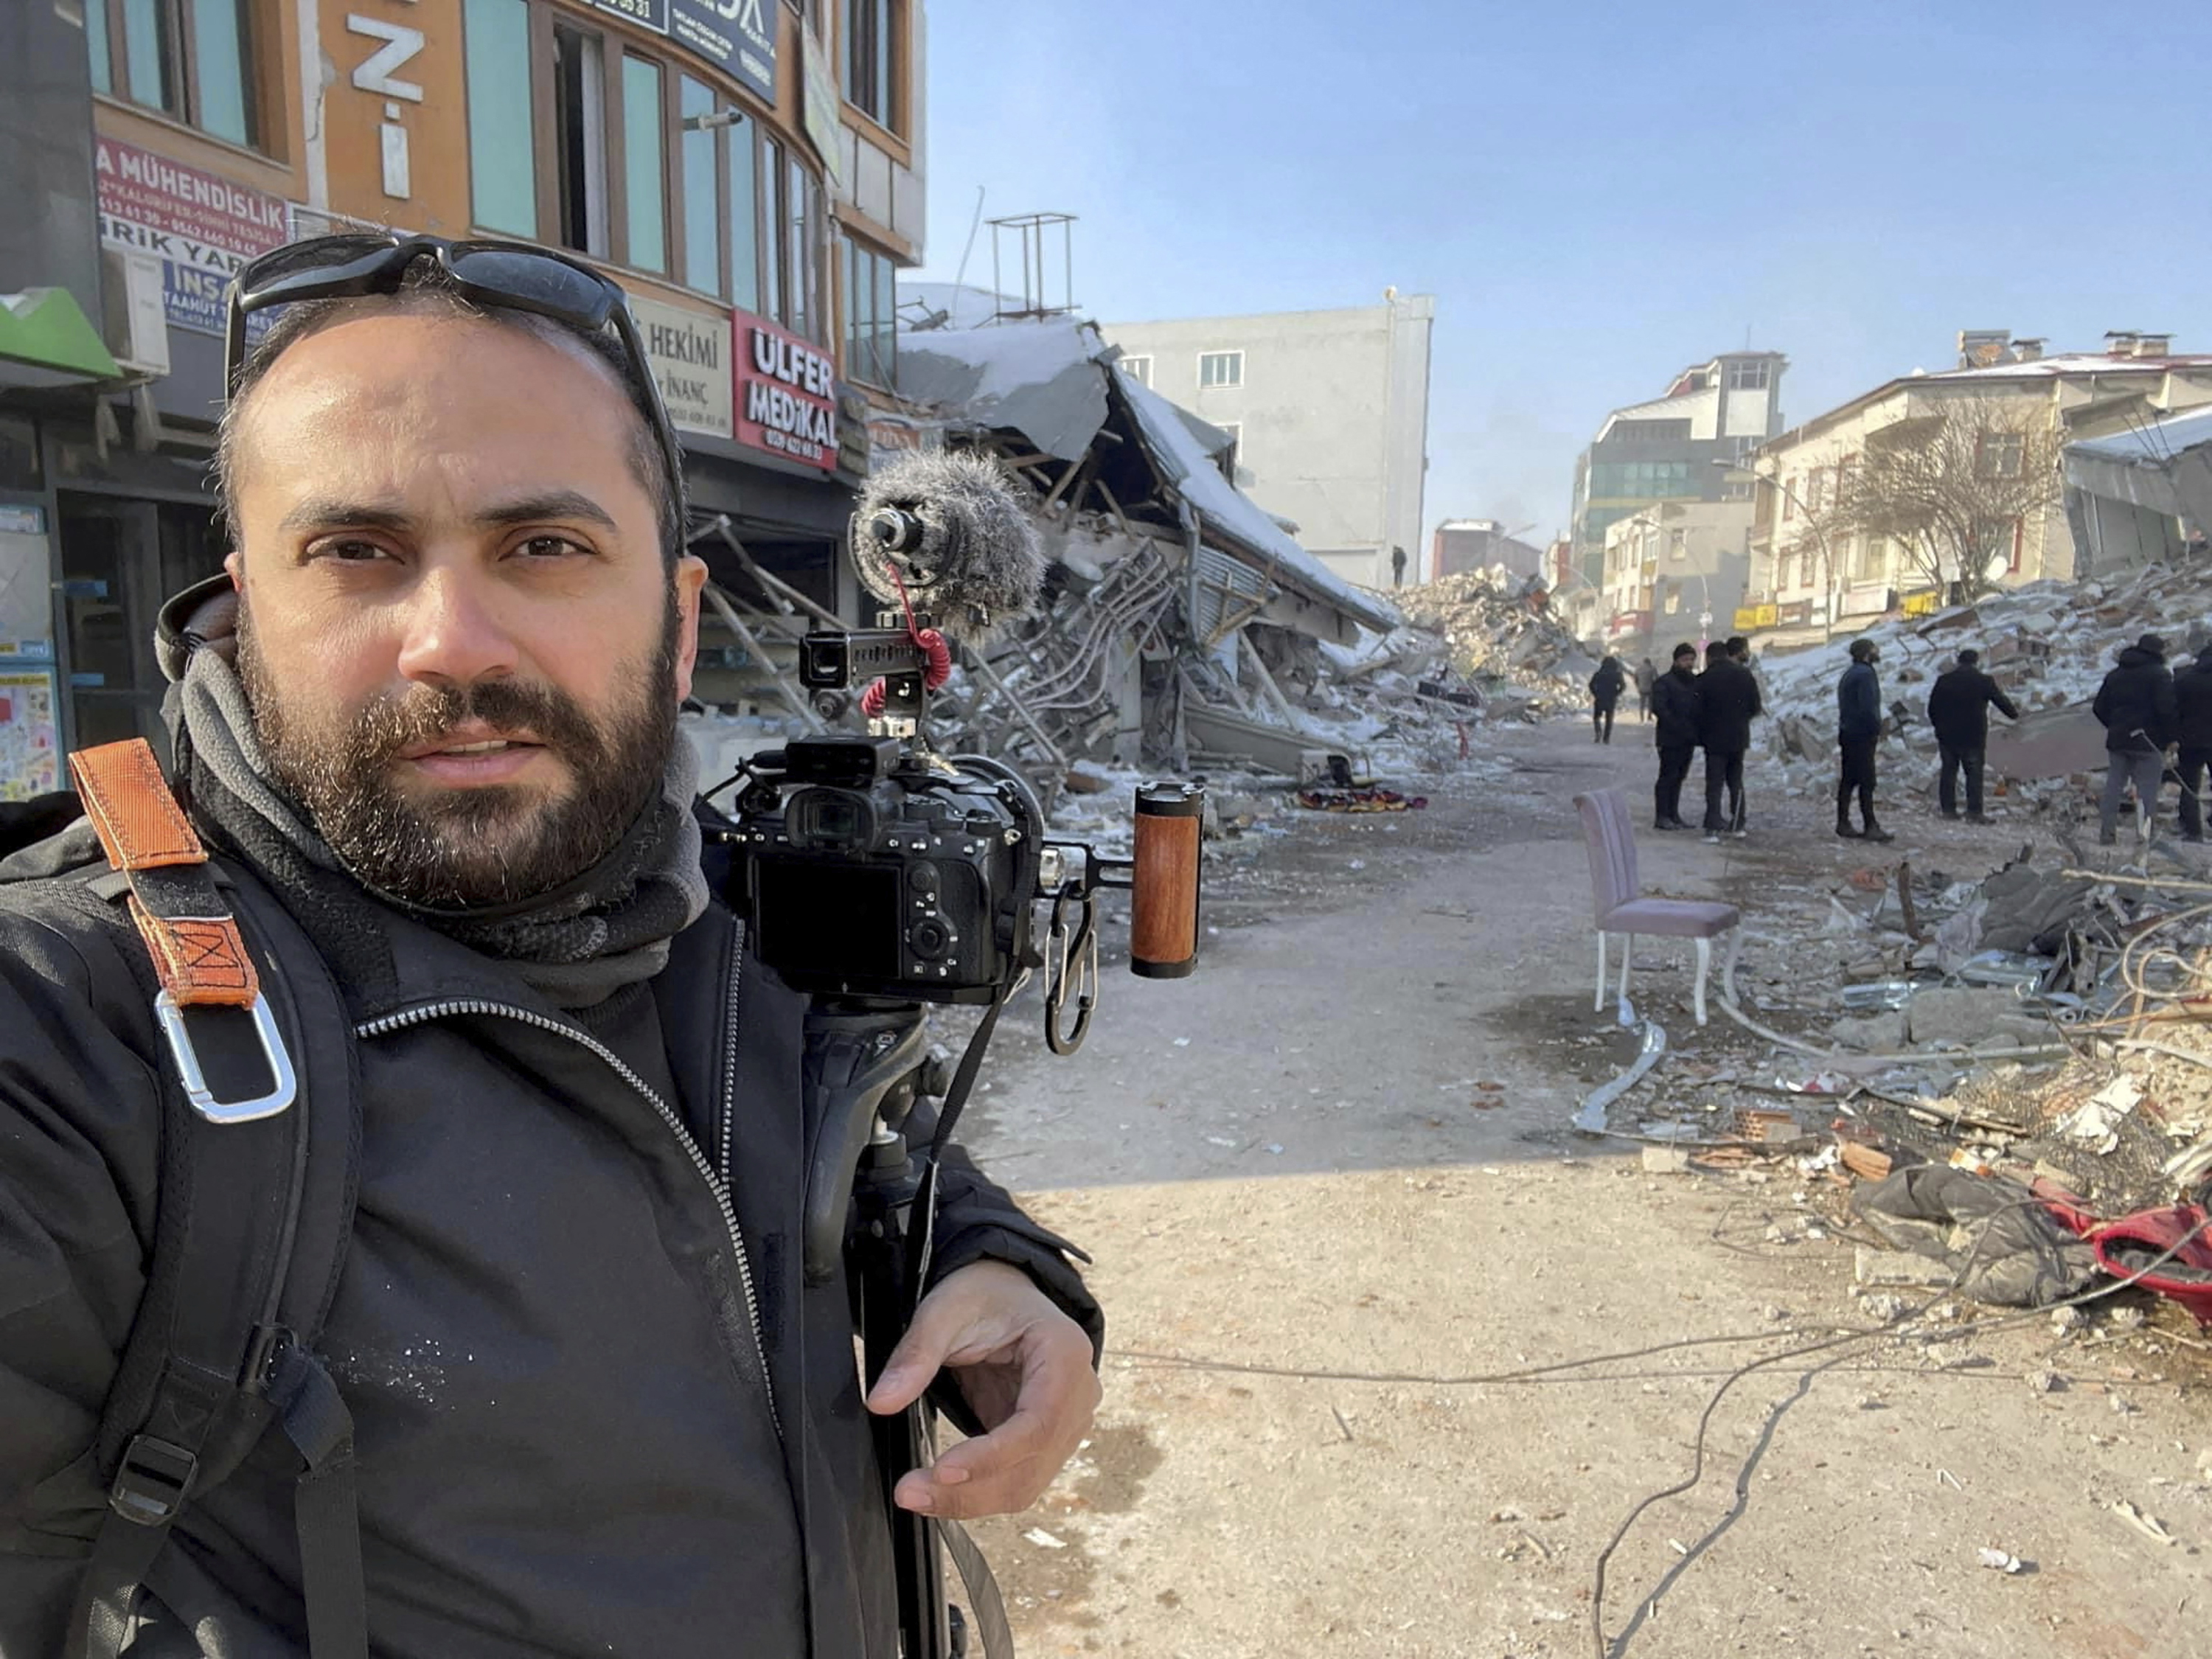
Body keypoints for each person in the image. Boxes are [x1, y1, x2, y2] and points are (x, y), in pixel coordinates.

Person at [0, 237, 1102, 1654]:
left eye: (544, 546)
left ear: (682, 621)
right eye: (355, 552)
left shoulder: (717, 915)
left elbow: (861, 1136)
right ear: (240, 610)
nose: (450, 643)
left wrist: (1006, 1270)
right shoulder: (74, 1027)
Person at [2093, 633, 2177, 846]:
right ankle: (2145, 836)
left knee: (2114, 785)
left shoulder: (2115, 675)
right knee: (2147, 788)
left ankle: (2107, 833)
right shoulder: (2160, 675)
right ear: (2159, 653)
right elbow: (2166, 710)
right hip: (2149, 741)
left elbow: (2099, 707)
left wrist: (2115, 726)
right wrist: (2170, 738)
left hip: (2119, 740)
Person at [1924, 647, 2020, 823]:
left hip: (1948, 736)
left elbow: (1932, 708)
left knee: (1948, 772)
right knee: (1974, 774)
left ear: (1959, 661)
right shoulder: (1983, 681)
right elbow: (2000, 701)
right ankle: (1974, 812)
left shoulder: (1944, 680)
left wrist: (1939, 727)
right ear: (1976, 662)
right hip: (1973, 736)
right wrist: (2015, 715)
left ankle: (1948, 810)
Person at [1696, 638, 1761, 844]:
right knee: (1736, 781)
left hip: (1714, 739)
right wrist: (1740, 720)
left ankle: (1712, 827)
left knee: (1714, 784)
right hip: (1738, 737)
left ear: (1709, 657)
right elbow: (1755, 707)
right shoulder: (1744, 675)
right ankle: (1738, 824)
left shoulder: (1705, 678)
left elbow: (1695, 710)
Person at [1836, 636, 1894, 843]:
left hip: (1848, 732)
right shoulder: (1866, 675)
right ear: (1867, 653)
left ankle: (1843, 822)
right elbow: (1868, 706)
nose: (1878, 651)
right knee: (1867, 781)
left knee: (1849, 779)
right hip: (1861, 734)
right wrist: (1876, 729)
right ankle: (1870, 825)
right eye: (1874, 648)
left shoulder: (1851, 673)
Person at [1649, 641, 1702, 830]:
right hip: (1669, 738)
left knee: (1680, 776)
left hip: (1687, 738)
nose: (1689, 663)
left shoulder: (1694, 682)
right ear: (1677, 661)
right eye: (1685, 659)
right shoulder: (1664, 682)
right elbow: (1659, 708)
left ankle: (1674, 814)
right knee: (1667, 776)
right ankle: (1662, 816)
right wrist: (1677, 725)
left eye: (1691, 660)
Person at [2174, 639, 2212, 844]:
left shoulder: (2186, 680)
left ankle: (2192, 831)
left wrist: (2175, 735)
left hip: (2191, 741)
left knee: (2190, 786)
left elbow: (2174, 710)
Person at [1589, 653, 1627, 743]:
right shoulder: (1617, 674)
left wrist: (1596, 693)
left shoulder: (1599, 673)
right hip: (1611, 699)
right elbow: (1623, 686)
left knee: (1597, 717)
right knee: (1609, 719)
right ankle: (1606, 738)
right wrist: (1617, 693)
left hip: (1600, 698)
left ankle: (1598, 732)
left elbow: (1591, 685)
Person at [1633, 656, 1658, 722]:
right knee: (1651, 704)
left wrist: (1638, 686)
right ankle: (1649, 717)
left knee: (1642, 704)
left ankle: (1641, 718)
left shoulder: (1638, 669)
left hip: (1641, 689)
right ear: (1649, 662)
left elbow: (1635, 679)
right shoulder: (1652, 668)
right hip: (1650, 689)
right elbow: (1656, 679)